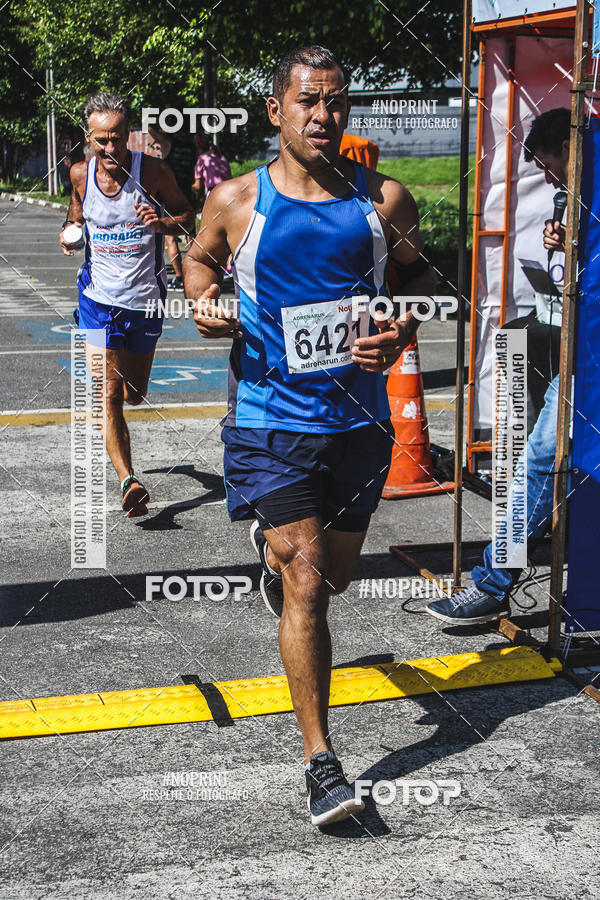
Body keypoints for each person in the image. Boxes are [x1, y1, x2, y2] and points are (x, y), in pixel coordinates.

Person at [183, 45, 435, 826]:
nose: (323, 116)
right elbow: (198, 262)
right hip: (269, 424)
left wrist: (395, 330)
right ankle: (321, 761)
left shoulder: (385, 201)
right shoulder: (235, 200)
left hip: (357, 425)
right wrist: (207, 302)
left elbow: (417, 280)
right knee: (307, 582)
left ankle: (274, 554)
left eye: (336, 103)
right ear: (276, 111)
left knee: (334, 579)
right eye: (307, 102)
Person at [426, 107, 571, 625]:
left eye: (552, 166)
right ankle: (494, 580)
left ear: (570, 148)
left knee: (538, 462)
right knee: (539, 460)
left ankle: (493, 584)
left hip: (588, 359)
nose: (551, 179)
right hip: (577, 347)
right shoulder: (573, 200)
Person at [59, 92, 195, 517]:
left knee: (135, 393)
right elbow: (75, 215)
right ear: (88, 138)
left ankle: (130, 457)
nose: (111, 149)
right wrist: (71, 232)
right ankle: (129, 481)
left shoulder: (151, 171)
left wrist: (162, 222)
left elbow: (188, 215)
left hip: (145, 301)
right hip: (97, 299)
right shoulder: (80, 175)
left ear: (128, 134)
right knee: (109, 393)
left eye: (118, 138)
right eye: (102, 141)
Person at [148, 125, 198, 291]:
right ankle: (195, 271)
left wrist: (149, 119)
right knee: (191, 235)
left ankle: (179, 277)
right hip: (187, 193)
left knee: (170, 237)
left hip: (171, 194)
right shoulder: (192, 147)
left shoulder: (169, 143)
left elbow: (150, 129)